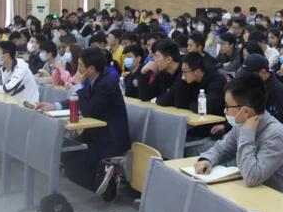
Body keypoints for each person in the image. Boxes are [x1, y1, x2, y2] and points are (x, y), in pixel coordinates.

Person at [39, 48, 131, 192]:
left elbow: (88, 110)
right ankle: (100, 177)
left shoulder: (107, 83)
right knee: (65, 151)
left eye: (81, 65)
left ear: (91, 69)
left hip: (110, 137)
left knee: (76, 159)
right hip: (95, 132)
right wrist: (55, 106)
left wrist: (78, 85)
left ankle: (108, 184)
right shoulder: (91, 79)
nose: (78, 68)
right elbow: (78, 101)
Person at [194, 74, 283, 197]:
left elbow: (252, 177)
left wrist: (247, 133)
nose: (225, 111)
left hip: (281, 201)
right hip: (255, 195)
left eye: (227, 106)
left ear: (245, 111)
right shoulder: (241, 125)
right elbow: (222, 149)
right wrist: (207, 159)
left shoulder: (276, 134)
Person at [160, 52, 226, 115]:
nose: (182, 76)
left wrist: (190, 104)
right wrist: (182, 83)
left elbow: (205, 108)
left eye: (185, 71)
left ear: (197, 72)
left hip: (215, 119)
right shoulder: (189, 79)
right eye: (182, 71)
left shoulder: (217, 81)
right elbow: (166, 101)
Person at [239, 54, 283, 131]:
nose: (246, 79)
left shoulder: (277, 92)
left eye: (249, 76)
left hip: (271, 134)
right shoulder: (257, 85)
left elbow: (273, 123)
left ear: (262, 72)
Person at [138, 39, 182, 105]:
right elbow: (145, 97)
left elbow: (167, 100)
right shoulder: (163, 73)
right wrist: (143, 72)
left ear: (168, 59)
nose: (155, 60)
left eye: (157, 57)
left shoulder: (184, 73)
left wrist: (158, 99)